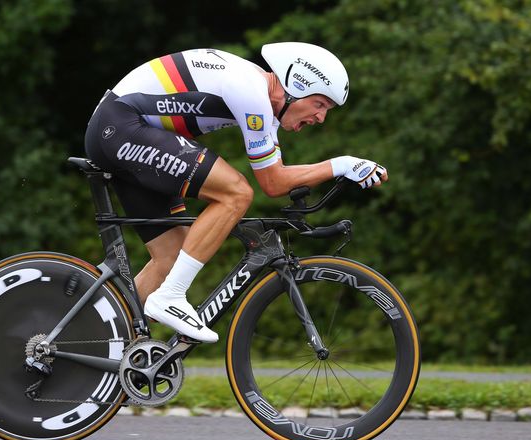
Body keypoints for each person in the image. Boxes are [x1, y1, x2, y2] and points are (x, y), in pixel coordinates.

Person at [84, 42, 387, 343]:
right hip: (120, 125)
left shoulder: (263, 106)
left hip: (124, 129)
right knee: (236, 193)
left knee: (171, 258)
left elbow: (277, 180)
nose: (321, 118)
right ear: (297, 86)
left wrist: (341, 166)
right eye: (320, 105)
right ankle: (171, 297)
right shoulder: (251, 91)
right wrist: (341, 165)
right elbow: (271, 183)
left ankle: (100, 344)